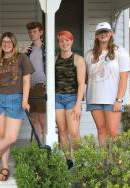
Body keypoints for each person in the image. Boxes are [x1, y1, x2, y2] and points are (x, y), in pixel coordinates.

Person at [0, 32, 34, 181]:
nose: (6, 44)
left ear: (13, 44)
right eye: (4, 42)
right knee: (2, 136)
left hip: (15, 100)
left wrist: (25, 100)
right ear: (1, 44)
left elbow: (26, 81)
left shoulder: (22, 58)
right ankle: (5, 166)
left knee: (11, 137)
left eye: (9, 42)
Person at [85, 22, 130, 145]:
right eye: (100, 32)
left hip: (112, 100)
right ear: (96, 35)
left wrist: (119, 100)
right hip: (94, 99)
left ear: (111, 33)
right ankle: (103, 162)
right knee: (101, 131)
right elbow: (85, 77)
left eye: (106, 31)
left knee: (113, 132)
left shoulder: (120, 52)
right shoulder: (89, 55)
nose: (103, 34)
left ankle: (115, 161)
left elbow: (124, 77)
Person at [55, 31, 86, 167]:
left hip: (72, 98)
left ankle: (80, 160)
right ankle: (68, 160)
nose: (64, 43)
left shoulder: (78, 59)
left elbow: (81, 84)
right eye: (61, 41)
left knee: (73, 131)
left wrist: (78, 104)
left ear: (72, 41)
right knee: (62, 131)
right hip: (57, 98)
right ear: (58, 43)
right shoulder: (54, 59)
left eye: (67, 40)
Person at [25, 21, 47, 144]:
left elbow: (53, 66)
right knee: (34, 119)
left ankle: (46, 144)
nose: (32, 34)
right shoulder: (27, 50)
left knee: (43, 119)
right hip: (29, 87)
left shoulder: (46, 48)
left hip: (41, 86)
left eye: (34, 31)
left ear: (41, 32)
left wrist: (49, 81)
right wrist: (21, 55)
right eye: (30, 32)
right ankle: (39, 147)